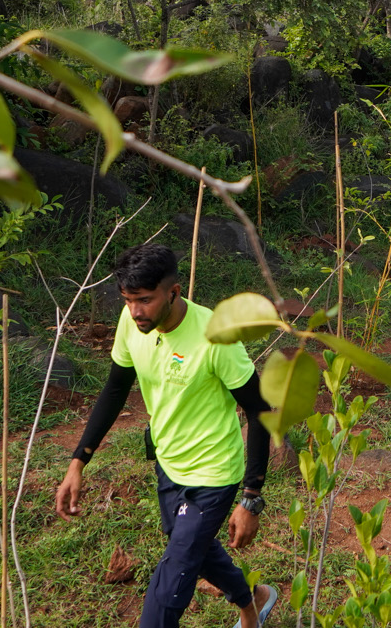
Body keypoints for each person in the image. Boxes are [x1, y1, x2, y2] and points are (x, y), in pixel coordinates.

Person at [55, 244, 278, 628]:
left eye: (144, 300)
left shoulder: (216, 337)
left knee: (168, 588)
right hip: (168, 463)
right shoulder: (132, 323)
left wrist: (252, 498)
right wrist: (78, 462)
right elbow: (114, 388)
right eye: (127, 300)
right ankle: (253, 601)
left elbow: (259, 411)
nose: (135, 311)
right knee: (195, 548)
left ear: (173, 293)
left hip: (213, 473)